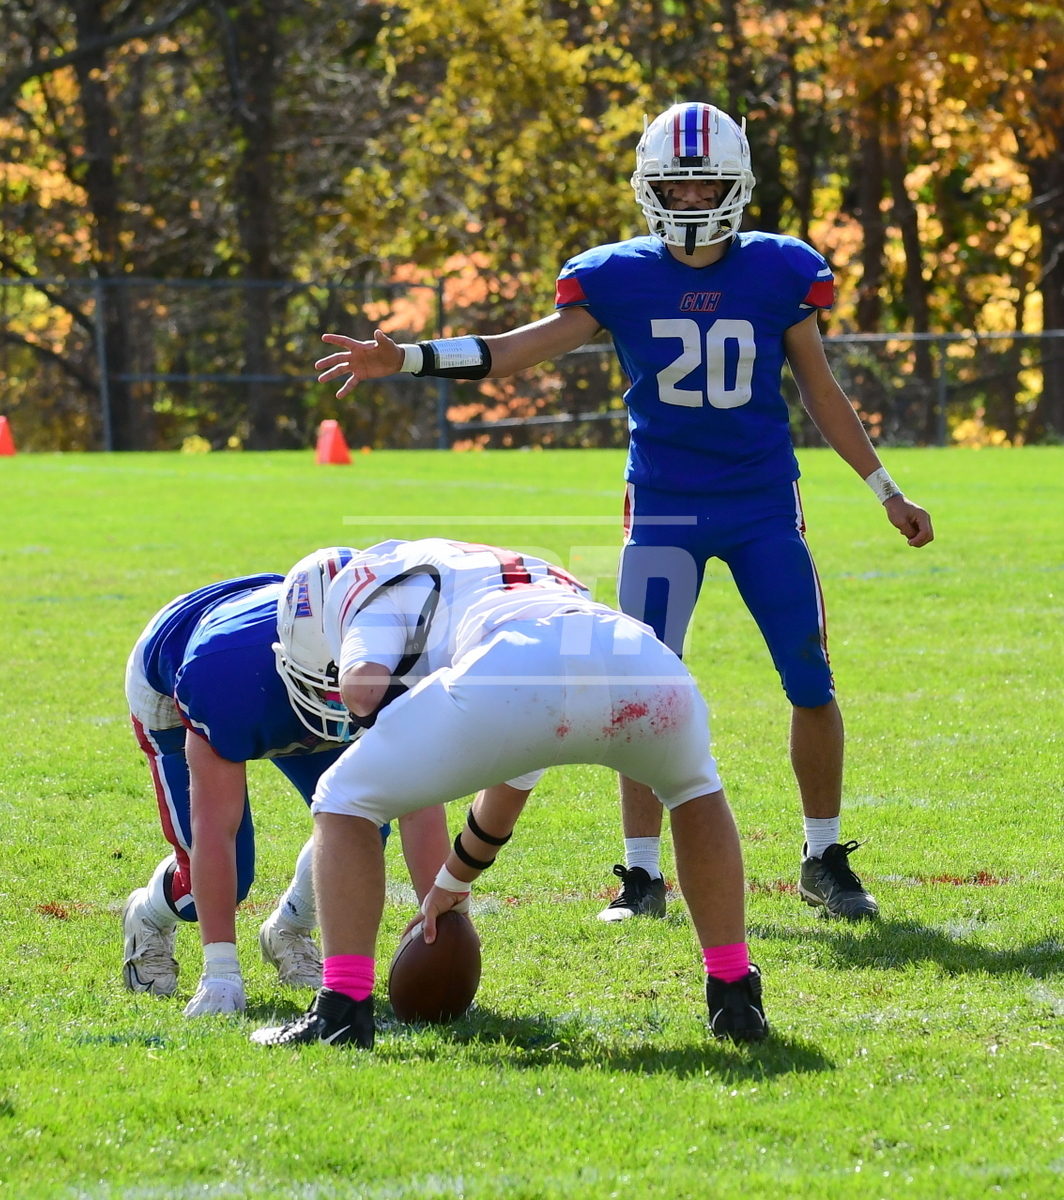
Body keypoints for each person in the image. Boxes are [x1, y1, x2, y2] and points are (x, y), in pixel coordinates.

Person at [312, 101, 934, 924]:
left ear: (737, 184)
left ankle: (823, 857)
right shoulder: (616, 275)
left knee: (808, 677)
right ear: (649, 189)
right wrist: (411, 358)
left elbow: (821, 391)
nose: (691, 200)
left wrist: (886, 489)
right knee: (637, 688)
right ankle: (642, 876)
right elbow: (513, 351)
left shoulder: (782, 269)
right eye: (675, 187)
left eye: (705, 184)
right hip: (664, 510)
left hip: (760, 506)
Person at [251, 537, 768, 1050]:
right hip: (641, 662)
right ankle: (734, 994)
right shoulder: (498, 572)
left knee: (342, 798)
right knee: (694, 789)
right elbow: (508, 789)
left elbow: (363, 687)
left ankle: (341, 1010)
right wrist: (451, 882)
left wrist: (387, 713)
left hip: (513, 672)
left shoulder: (368, 584)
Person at [123, 548, 449, 1017]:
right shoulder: (221, 674)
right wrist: (220, 972)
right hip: (181, 670)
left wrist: (444, 915)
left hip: (274, 661)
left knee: (360, 826)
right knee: (217, 880)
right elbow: (214, 827)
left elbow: (420, 804)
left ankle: (289, 928)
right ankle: (148, 914)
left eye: (348, 691)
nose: (341, 709)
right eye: (326, 692)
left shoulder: (401, 656)